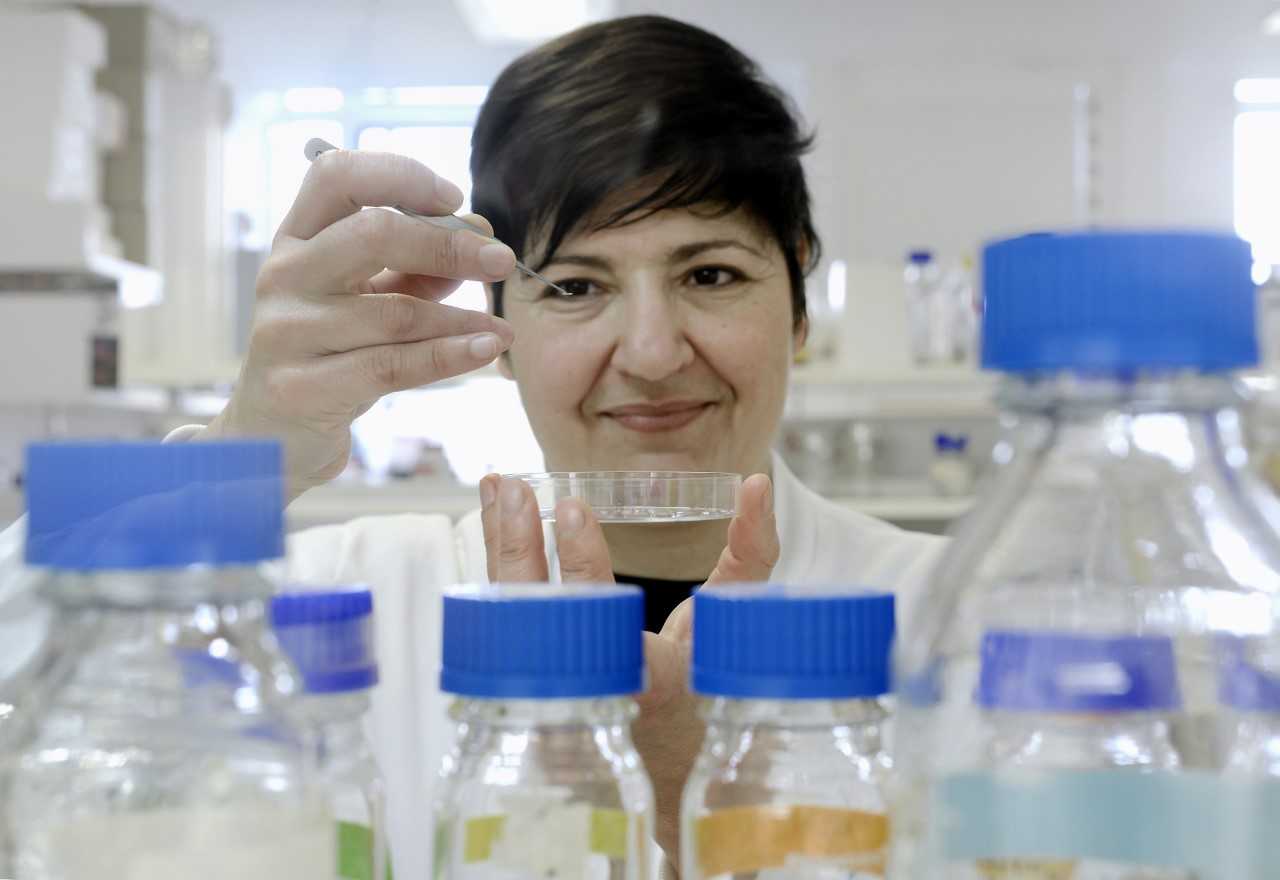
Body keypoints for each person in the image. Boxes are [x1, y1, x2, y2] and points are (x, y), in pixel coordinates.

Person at [0, 14, 945, 877]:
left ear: (801, 309)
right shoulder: (351, 607)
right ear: (499, 329)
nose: (653, 353)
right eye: (575, 286)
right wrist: (246, 444)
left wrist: (722, 810)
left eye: (710, 272)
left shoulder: (955, 618)